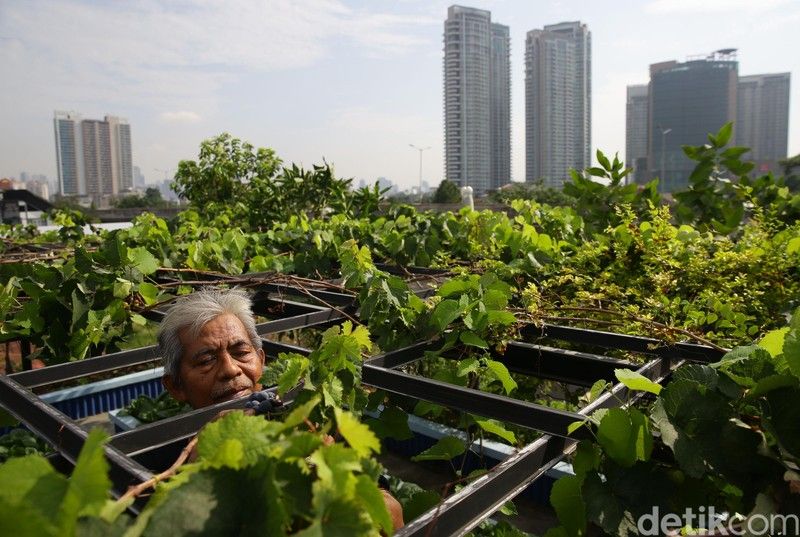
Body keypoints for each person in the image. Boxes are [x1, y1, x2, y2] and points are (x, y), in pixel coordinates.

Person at [157, 288, 404, 530]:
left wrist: (332, 478)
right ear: (175, 386)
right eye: (206, 360)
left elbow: (391, 515)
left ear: (261, 361)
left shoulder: (307, 424)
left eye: (241, 352)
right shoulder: (172, 467)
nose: (230, 369)